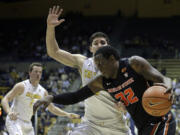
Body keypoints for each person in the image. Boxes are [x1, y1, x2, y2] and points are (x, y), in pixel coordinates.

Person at [34, 46, 176, 135]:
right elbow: (76, 96)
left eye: (101, 63)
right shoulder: (101, 82)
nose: (98, 67)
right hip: (143, 126)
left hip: (161, 119)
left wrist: (165, 91)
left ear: (112, 59)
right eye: (96, 64)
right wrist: (51, 98)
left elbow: (158, 78)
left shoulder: (134, 63)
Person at [45, 5, 130, 135]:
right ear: (91, 49)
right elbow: (54, 52)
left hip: (116, 126)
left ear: (108, 46)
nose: (99, 45)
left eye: (103, 42)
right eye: (96, 43)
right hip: (90, 125)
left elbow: (130, 97)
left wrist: (125, 106)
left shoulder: (120, 67)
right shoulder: (83, 62)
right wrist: (50, 27)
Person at [1, 62, 79, 135]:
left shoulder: (43, 92)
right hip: (15, 120)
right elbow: (5, 100)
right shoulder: (21, 86)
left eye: (40, 72)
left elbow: (52, 109)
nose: (38, 74)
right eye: (36, 71)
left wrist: (67, 114)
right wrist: (9, 112)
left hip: (27, 123)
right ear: (30, 73)